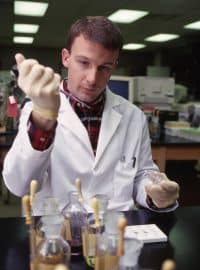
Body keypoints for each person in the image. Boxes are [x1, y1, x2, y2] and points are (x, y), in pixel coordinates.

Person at [3, 16, 179, 214]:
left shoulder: (133, 116)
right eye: (84, 62)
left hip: (116, 231)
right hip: (59, 233)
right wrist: (43, 121)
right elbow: (18, 185)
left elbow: (141, 174)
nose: (92, 78)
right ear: (66, 57)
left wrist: (154, 193)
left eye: (105, 67)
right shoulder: (36, 111)